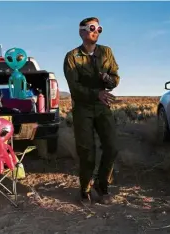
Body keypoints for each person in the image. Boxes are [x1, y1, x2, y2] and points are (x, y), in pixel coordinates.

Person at [63, 17, 120, 205]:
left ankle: (102, 185)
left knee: (112, 147)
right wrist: (96, 94)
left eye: (99, 28)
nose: (96, 31)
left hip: (102, 107)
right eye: (91, 28)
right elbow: (74, 87)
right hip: (83, 107)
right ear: (81, 32)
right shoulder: (72, 57)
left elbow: (115, 76)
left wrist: (109, 80)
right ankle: (85, 189)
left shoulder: (106, 52)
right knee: (87, 151)